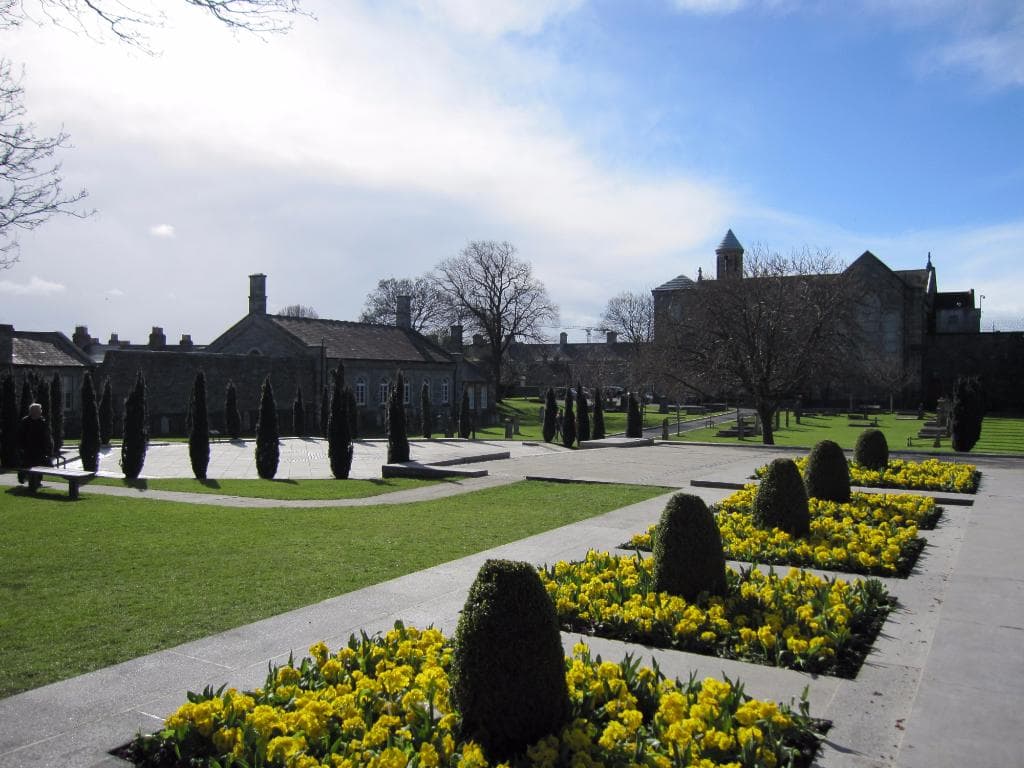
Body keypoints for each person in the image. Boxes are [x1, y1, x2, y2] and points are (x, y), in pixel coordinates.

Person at [18, 402, 53, 490]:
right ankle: (22, 477)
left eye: (39, 410)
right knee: (26, 464)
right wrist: (21, 446)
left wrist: (48, 448)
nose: (38, 412)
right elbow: (20, 434)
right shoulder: (25, 421)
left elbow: (47, 435)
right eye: (36, 410)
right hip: (28, 447)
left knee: (39, 465)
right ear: (31, 411)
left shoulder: (42, 421)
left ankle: (37, 482)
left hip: (40, 448)